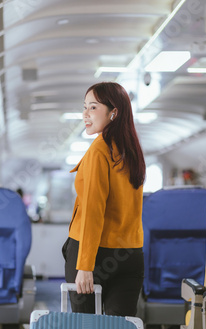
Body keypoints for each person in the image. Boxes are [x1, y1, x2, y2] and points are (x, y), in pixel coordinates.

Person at [62, 82, 146, 316]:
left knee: (86, 328)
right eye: (85, 107)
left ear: (114, 112)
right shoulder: (132, 152)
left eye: (93, 107)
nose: (85, 114)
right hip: (130, 255)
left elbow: (92, 211)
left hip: (93, 254)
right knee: (122, 328)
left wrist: (85, 266)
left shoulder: (99, 151)